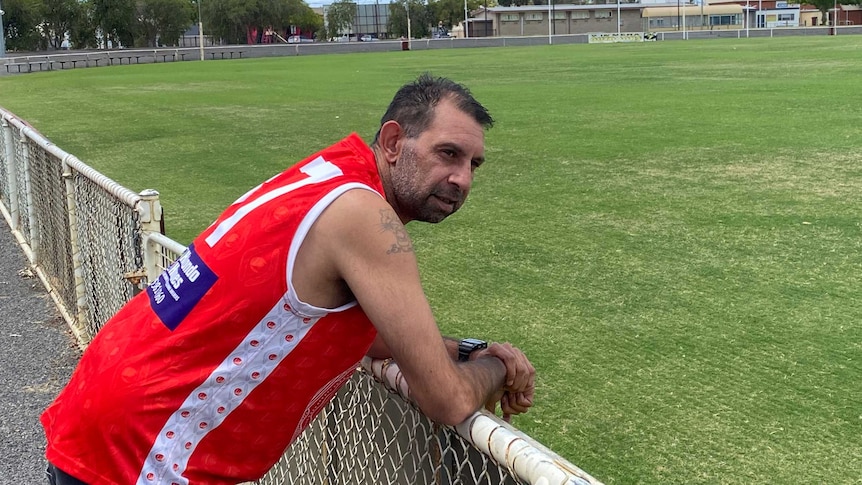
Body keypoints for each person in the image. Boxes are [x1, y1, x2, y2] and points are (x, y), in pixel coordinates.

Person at [41, 73, 536, 485]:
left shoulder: (328, 175)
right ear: (391, 142)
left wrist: (464, 350)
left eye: (474, 164)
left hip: (104, 417)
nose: (463, 179)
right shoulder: (364, 215)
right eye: (447, 153)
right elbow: (446, 398)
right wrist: (500, 369)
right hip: (142, 454)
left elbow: (356, 334)